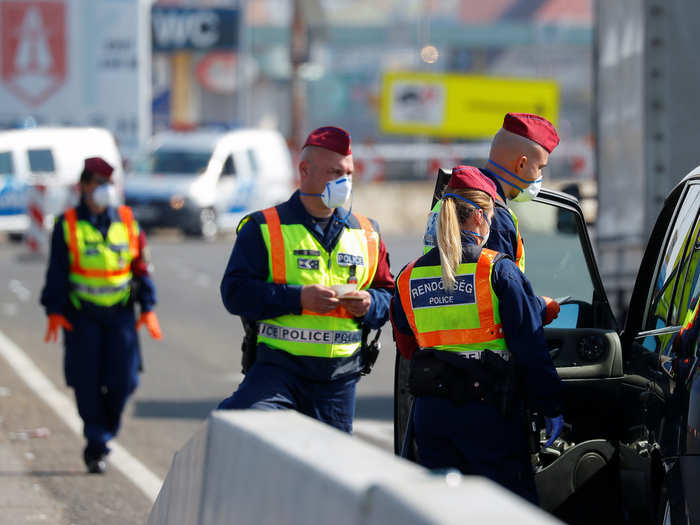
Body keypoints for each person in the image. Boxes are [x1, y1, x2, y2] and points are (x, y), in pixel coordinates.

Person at [392, 166, 564, 503]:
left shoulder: (407, 277)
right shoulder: (497, 270)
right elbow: (529, 347)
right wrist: (551, 405)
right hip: (488, 413)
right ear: (482, 217)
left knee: (444, 511)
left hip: (432, 415)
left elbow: (407, 345)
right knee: (507, 510)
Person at [218, 126, 394, 433]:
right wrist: (297, 299)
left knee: (327, 472)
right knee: (236, 428)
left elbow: (388, 296)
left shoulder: (367, 232)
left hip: (339, 382)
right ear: (305, 170)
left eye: (349, 173)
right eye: (334, 172)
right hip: (277, 371)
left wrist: (370, 303)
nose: (345, 182)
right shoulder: (263, 227)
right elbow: (234, 293)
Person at [41, 157, 162, 474]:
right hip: (82, 317)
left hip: (120, 315)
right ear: (83, 187)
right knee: (86, 382)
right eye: (98, 184)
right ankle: (97, 443)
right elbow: (57, 273)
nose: (103, 190)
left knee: (124, 381)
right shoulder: (67, 224)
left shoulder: (126, 219)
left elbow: (141, 266)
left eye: (108, 184)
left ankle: (103, 432)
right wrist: (54, 310)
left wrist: (148, 307)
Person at [423, 113, 561, 323]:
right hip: (479, 341)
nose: (539, 177)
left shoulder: (451, 197)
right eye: (540, 167)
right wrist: (540, 307)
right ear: (521, 164)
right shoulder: (493, 215)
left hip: (436, 330)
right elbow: (504, 298)